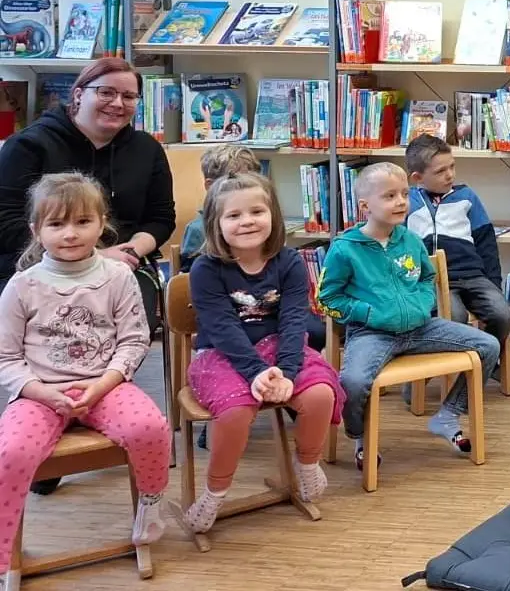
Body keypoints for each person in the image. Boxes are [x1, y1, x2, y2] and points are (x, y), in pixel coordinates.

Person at [0, 173, 169, 572]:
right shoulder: (22, 286)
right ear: (36, 230)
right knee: (10, 451)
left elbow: (134, 340)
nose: (70, 234)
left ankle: (150, 505)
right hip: (39, 392)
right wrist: (41, 392)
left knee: (150, 427)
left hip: (106, 385)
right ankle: (6, 550)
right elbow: (5, 358)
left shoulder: (119, 277)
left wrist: (103, 384)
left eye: (82, 222)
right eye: (56, 224)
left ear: (102, 224)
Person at [180, 173, 342, 533]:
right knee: (236, 411)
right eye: (234, 215)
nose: (247, 221)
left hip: (279, 351)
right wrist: (256, 372)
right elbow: (222, 328)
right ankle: (214, 493)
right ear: (216, 224)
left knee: (320, 394)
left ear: (273, 216)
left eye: (257, 211)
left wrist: (285, 370)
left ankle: (308, 464)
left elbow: (294, 320)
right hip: (222, 353)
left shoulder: (289, 262)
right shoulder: (206, 269)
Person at [318, 163, 501, 472]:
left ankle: (447, 415)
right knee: (353, 379)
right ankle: (360, 436)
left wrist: (420, 305)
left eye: (404, 194)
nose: (401, 201)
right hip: (371, 333)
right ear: (365, 206)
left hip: (420, 327)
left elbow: (426, 279)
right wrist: (368, 314)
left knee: (488, 346)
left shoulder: (411, 241)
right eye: (389, 196)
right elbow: (327, 299)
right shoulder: (344, 249)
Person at [0, 58, 175, 335]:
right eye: (106, 92)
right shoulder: (28, 145)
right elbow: (5, 221)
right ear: (79, 94)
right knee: (54, 334)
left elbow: (161, 218)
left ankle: (112, 379)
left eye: (129, 96)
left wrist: (127, 254)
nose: (118, 103)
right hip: (37, 267)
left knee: (128, 329)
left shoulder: (147, 149)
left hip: (121, 268)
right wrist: (95, 256)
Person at [404, 135, 510, 390]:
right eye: (441, 171)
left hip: (474, 276)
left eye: (452, 166)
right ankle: (432, 373)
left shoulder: (467, 197)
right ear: (418, 178)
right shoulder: (407, 202)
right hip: (434, 280)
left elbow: (486, 242)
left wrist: (494, 283)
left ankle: (482, 363)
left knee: (503, 314)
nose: (449, 175)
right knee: (454, 316)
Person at [179, 144, 261, 272]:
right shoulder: (197, 230)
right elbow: (189, 281)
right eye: (235, 184)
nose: (245, 191)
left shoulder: (259, 224)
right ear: (210, 185)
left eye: (250, 183)